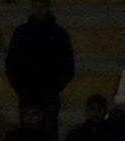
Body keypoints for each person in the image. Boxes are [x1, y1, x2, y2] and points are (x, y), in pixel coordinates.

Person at [4, 0, 74, 129]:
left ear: (48, 8)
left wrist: (55, 87)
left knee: (49, 133)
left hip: (49, 93)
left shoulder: (59, 34)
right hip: (27, 92)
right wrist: (20, 87)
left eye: (41, 7)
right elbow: (11, 64)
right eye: (35, 7)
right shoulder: (21, 33)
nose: (38, 11)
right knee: (28, 135)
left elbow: (68, 65)